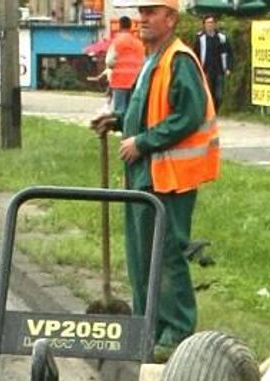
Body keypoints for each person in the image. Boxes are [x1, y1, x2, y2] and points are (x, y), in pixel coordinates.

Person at [90, 0, 219, 362]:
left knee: (165, 255)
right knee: (142, 255)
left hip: (168, 176)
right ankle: (148, 326)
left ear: (171, 18)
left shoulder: (179, 60)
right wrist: (117, 120)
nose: (143, 19)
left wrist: (143, 142)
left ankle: (176, 330)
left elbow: (188, 115)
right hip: (147, 175)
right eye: (141, 12)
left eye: (151, 12)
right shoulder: (154, 59)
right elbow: (146, 110)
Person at [106, 16, 145, 114]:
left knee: (120, 112)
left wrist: (117, 64)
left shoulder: (117, 41)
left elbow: (109, 61)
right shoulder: (138, 43)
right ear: (131, 26)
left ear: (119, 26)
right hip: (135, 82)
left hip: (120, 81)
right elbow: (144, 61)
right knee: (132, 112)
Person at [194, 15, 230, 112]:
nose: (210, 25)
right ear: (204, 25)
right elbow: (195, 53)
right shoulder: (200, 38)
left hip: (219, 70)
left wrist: (228, 67)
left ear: (215, 24)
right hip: (206, 69)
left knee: (219, 95)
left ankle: (215, 111)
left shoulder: (222, 38)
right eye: (208, 23)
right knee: (208, 93)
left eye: (211, 23)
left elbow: (228, 52)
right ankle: (209, 112)